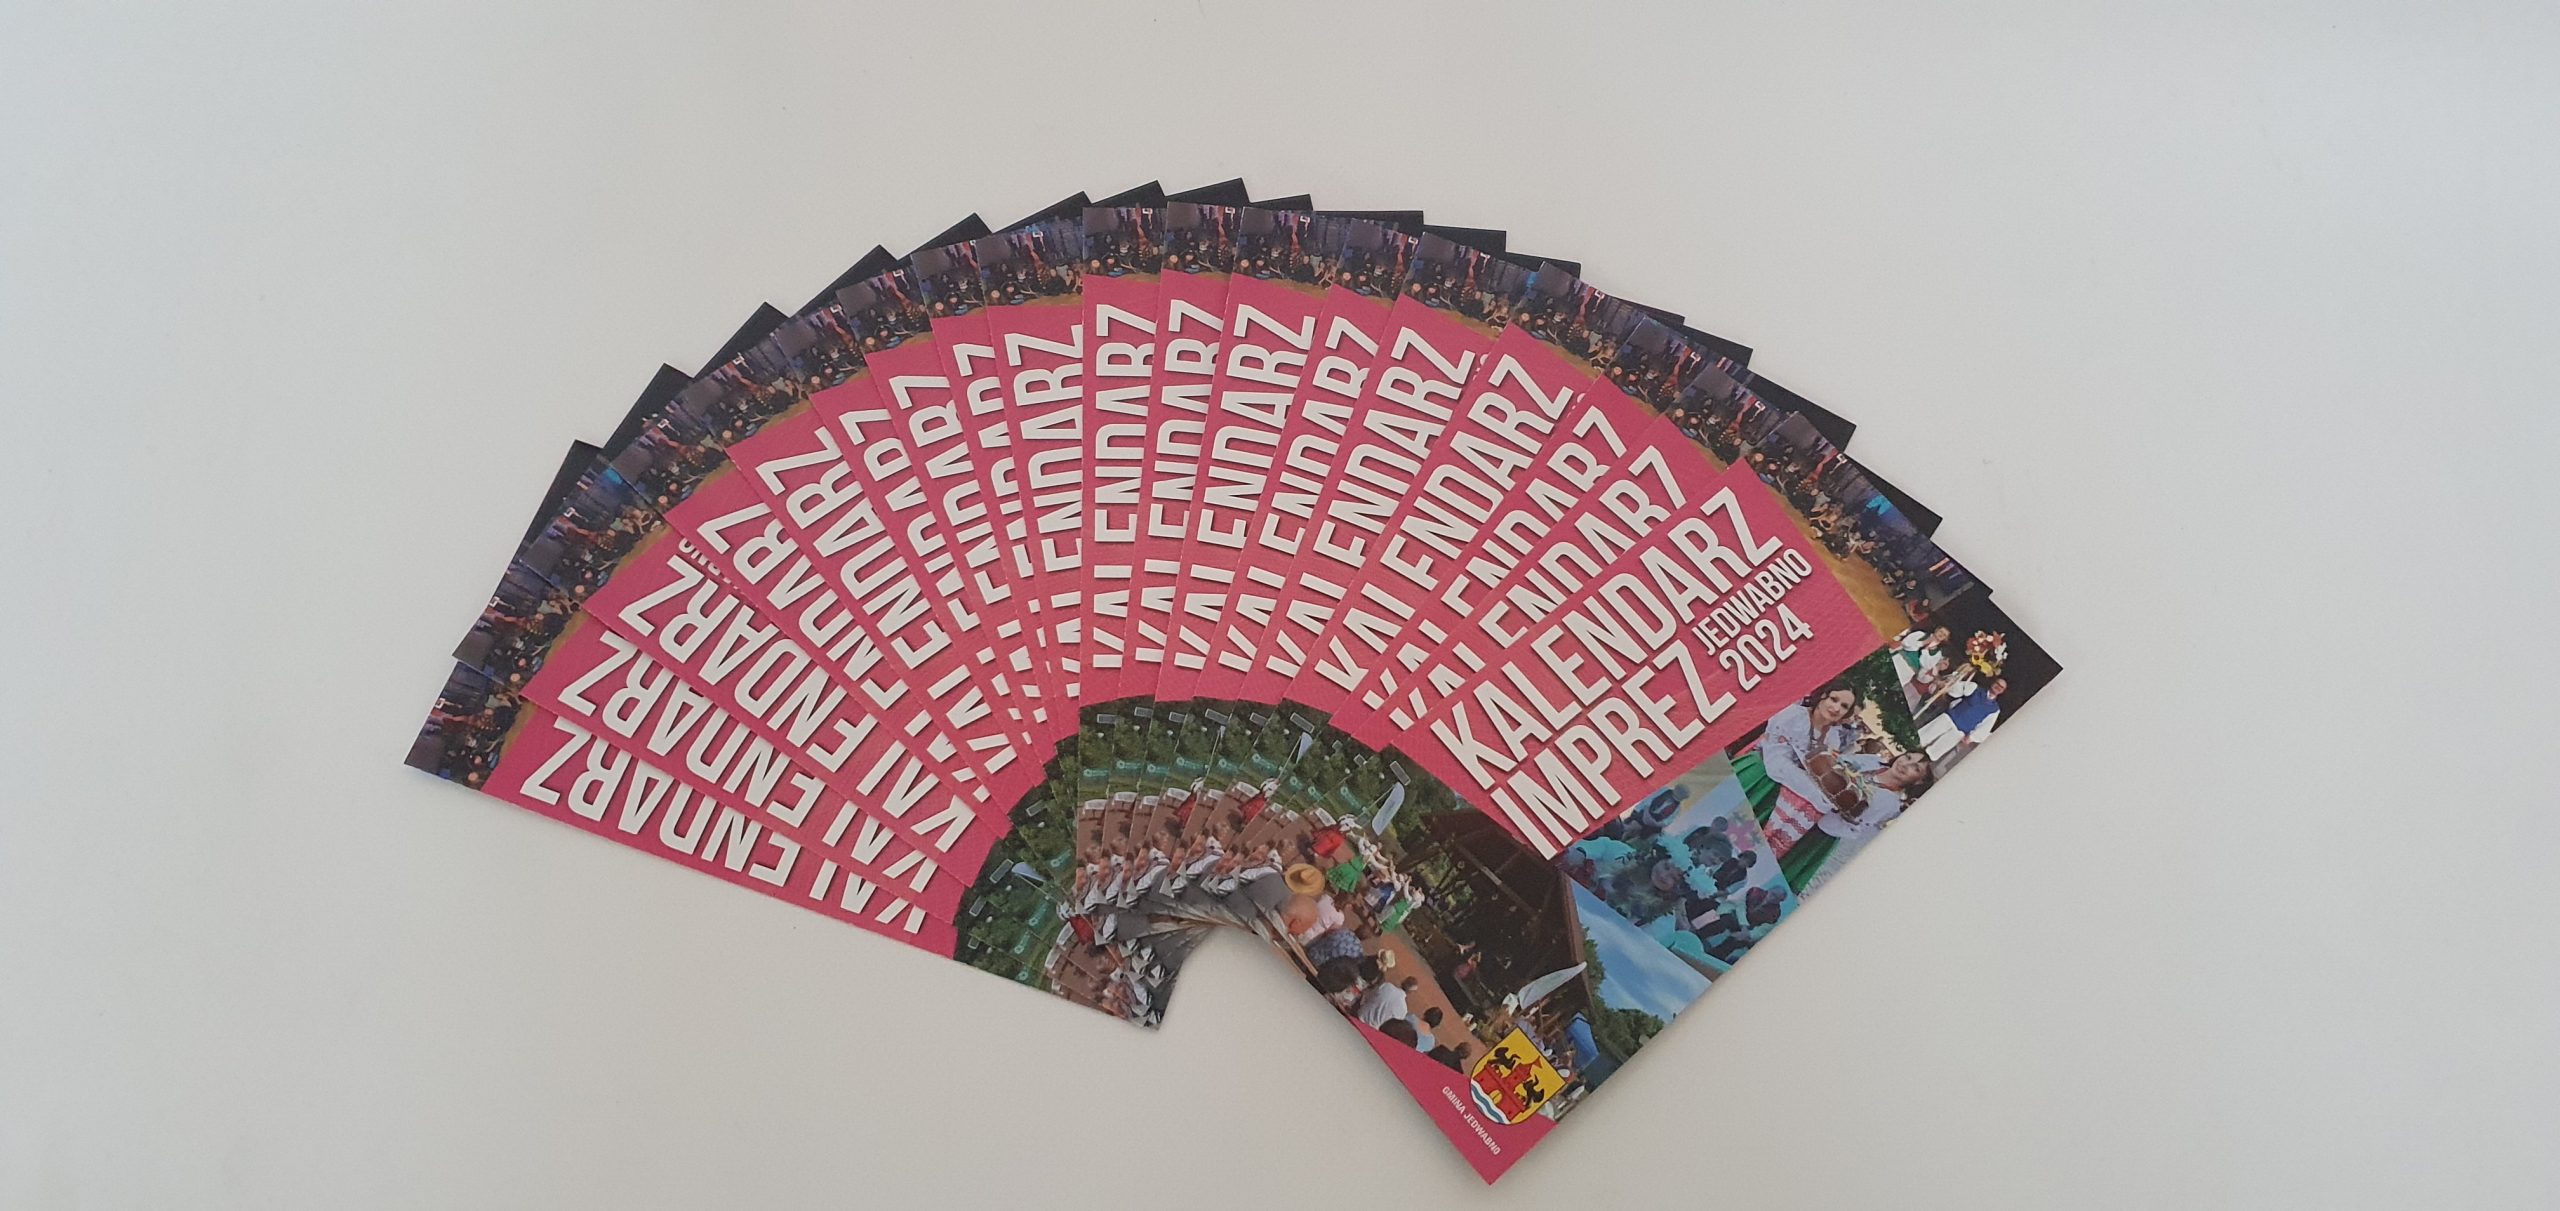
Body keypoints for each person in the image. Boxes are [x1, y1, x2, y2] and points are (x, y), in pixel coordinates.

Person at [1745, 681, 1865, 850]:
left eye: (1844, 706)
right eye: (1834, 699)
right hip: (1761, 777)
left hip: (1788, 797)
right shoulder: (1793, 715)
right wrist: (1813, 790)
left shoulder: (1832, 738)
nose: (1836, 708)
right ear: (1823, 696)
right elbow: (1775, 762)